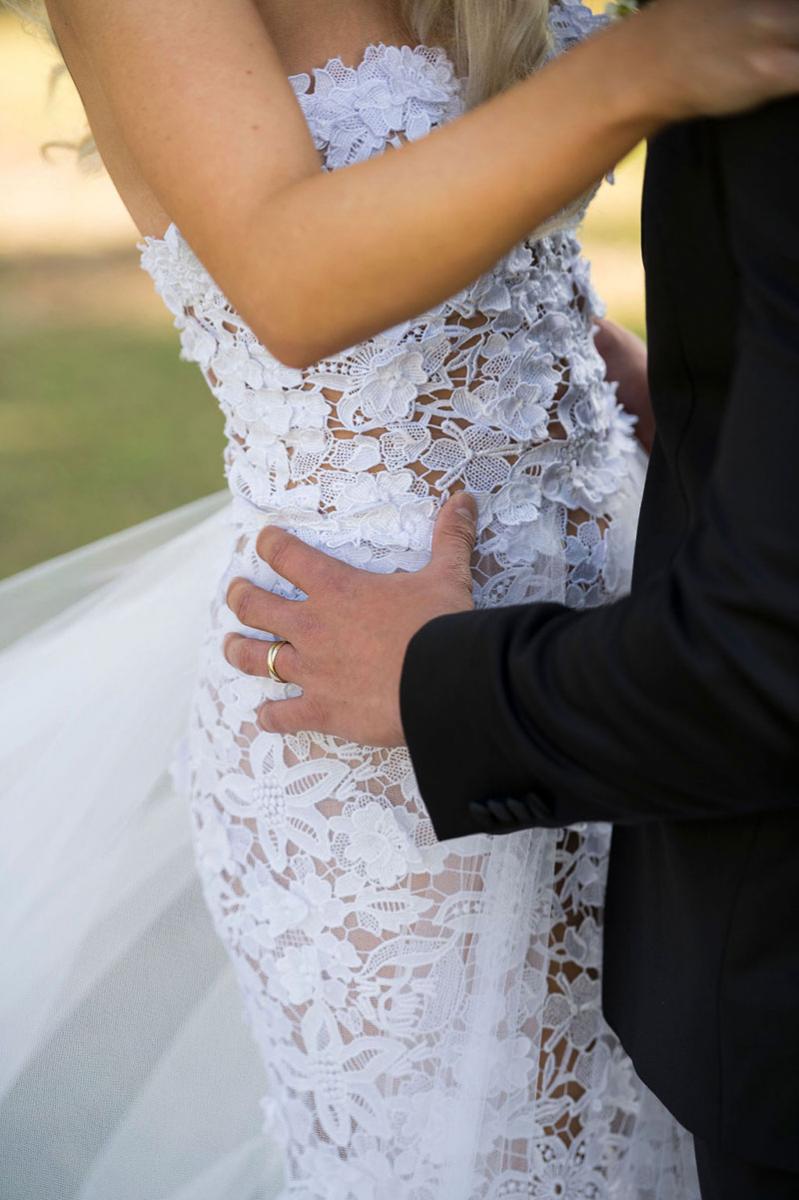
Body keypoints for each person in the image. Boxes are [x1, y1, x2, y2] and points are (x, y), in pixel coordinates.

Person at [1, 1, 798, 1197]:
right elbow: (288, 276)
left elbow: (493, 249)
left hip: (630, 641)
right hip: (373, 701)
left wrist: (619, 382)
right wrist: (636, 67)